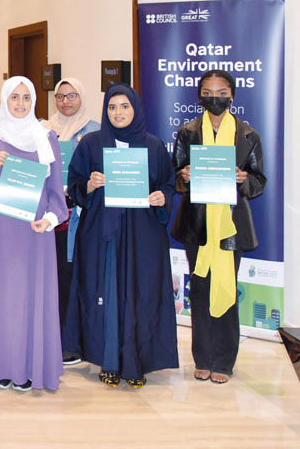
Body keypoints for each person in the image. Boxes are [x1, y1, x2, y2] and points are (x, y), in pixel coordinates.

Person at [63, 83, 178, 388]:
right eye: (112, 107)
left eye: (124, 106)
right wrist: (88, 185)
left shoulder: (153, 146)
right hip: (103, 234)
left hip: (143, 235)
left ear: (136, 109)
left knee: (140, 294)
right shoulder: (90, 144)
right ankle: (109, 360)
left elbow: (168, 185)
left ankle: (137, 362)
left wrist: (161, 198)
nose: (118, 113)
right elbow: (73, 185)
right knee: (107, 293)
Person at [0, 76, 67, 392]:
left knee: (30, 296)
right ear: (6, 101)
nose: (21, 104)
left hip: (34, 230)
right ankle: (0, 366)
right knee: (1, 296)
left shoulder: (46, 137)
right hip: (0, 230)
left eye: (26, 98)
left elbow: (56, 192)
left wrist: (50, 219)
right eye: (15, 98)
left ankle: (28, 368)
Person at [172, 69, 265, 385]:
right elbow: (174, 178)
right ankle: (203, 358)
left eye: (221, 91)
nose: (215, 97)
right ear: (199, 96)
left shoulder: (248, 134)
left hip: (231, 226)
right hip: (197, 224)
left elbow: (259, 181)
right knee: (199, 290)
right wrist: (183, 176)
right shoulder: (187, 132)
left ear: (232, 95)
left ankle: (224, 360)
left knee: (226, 287)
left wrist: (245, 180)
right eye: (208, 91)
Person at [43, 77, 100, 365]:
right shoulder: (42, 129)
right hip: (48, 218)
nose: (65, 102)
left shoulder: (95, 131)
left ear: (82, 97)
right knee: (51, 278)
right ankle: (50, 338)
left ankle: (73, 341)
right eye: (60, 96)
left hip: (80, 217)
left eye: (72, 96)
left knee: (74, 278)